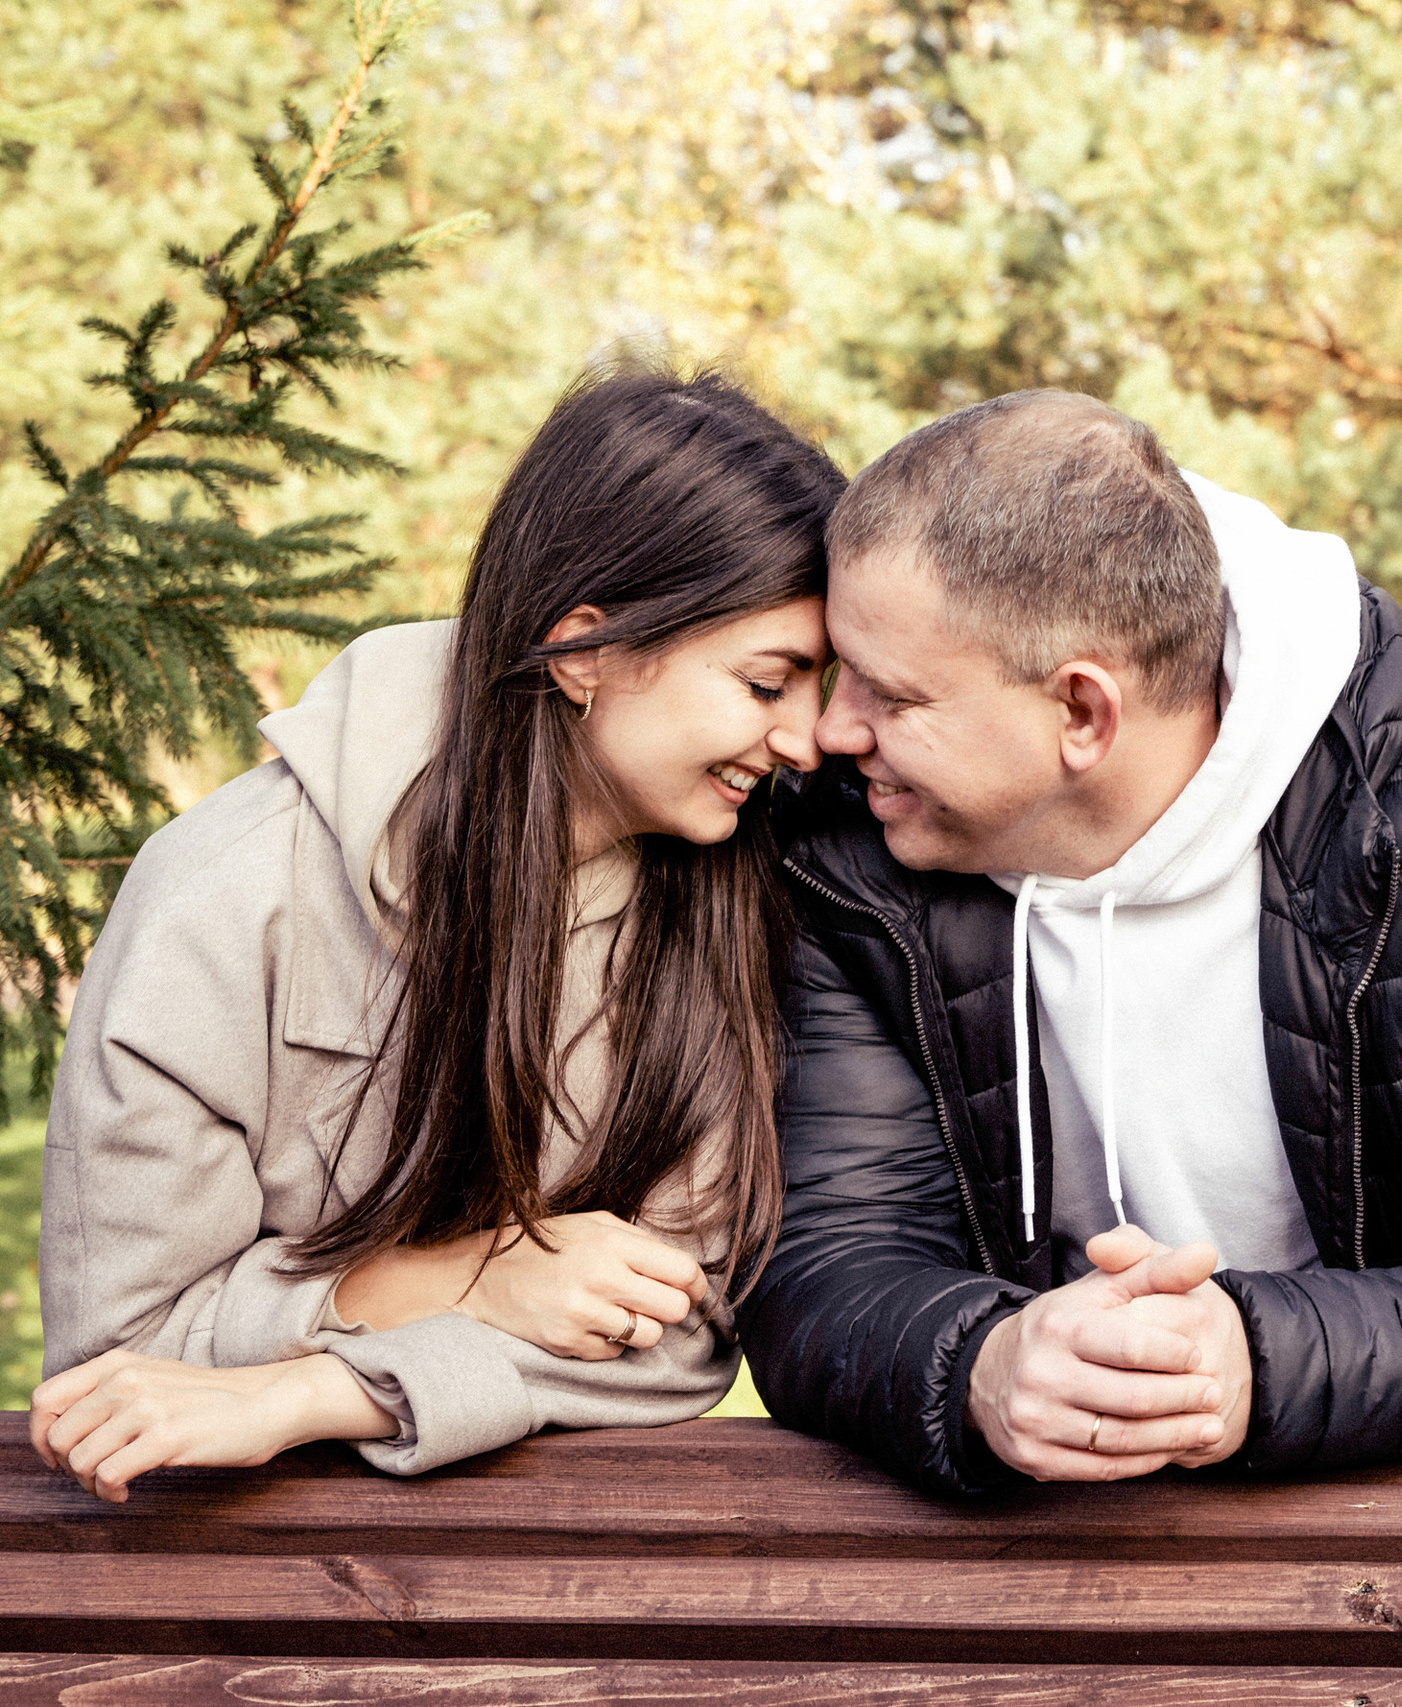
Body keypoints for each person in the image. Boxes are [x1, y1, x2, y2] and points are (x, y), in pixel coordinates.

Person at [743, 389, 1402, 1491]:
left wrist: (1252, 1359)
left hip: (1378, 1522)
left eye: (890, 693)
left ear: (1083, 713)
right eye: (840, 672)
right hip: (1008, 1538)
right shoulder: (846, 842)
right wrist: (980, 1359)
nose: (827, 731)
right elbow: (824, 1265)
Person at [31, 369, 845, 1500]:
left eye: (820, 683)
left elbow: (679, 1338)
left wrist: (320, 1388)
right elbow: (115, 1379)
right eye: (767, 683)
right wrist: (457, 1279)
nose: (809, 738)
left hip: (549, 1582)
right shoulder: (224, 898)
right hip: (232, 1577)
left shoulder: (731, 896)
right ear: (580, 654)